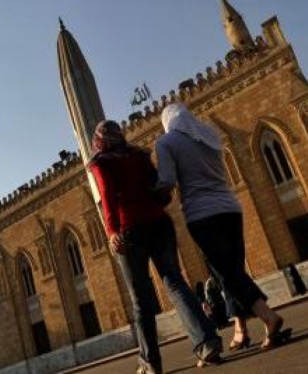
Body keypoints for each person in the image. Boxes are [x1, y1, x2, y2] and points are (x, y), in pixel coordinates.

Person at [89, 120, 223, 374]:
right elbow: (158, 185)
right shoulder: (138, 155)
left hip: (130, 230)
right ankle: (207, 343)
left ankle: (150, 363)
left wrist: (111, 231)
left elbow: (106, 194)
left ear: (99, 139)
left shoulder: (102, 161)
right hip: (160, 224)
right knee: (175, 282)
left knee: (141, 300)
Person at [155, 103, 291, 351]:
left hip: (202, 215)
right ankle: (241, 330)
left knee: (228, 273)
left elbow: (166, 181)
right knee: (230, 271)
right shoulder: (208, 135)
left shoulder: (166, 142)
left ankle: (269, 317)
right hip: (231, 208)